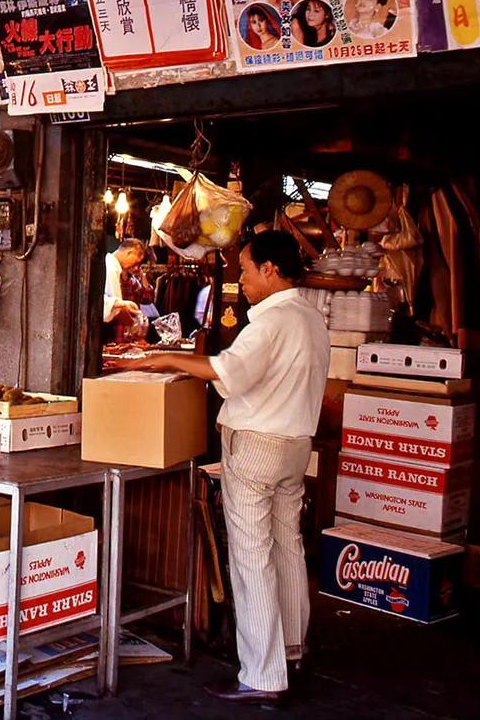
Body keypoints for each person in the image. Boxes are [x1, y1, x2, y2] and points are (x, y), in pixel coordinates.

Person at [128, 231, 329, 705]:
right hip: (294, 443)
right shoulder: (311, 318)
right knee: (286, 546)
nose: (242, 277)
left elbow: (229, 371)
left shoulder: (274, 320)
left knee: (252, 555)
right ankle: (291, 649)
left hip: (257, 445)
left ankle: (262, 674)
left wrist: (163, 359)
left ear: (271, 270)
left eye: (245, 268)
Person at [103, 239, 146, 325]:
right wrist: (133, 324)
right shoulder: (112, 269)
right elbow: (113, 306)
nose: (135, 266)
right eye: (136, 262)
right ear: (130, 253)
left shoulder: (112, 265)